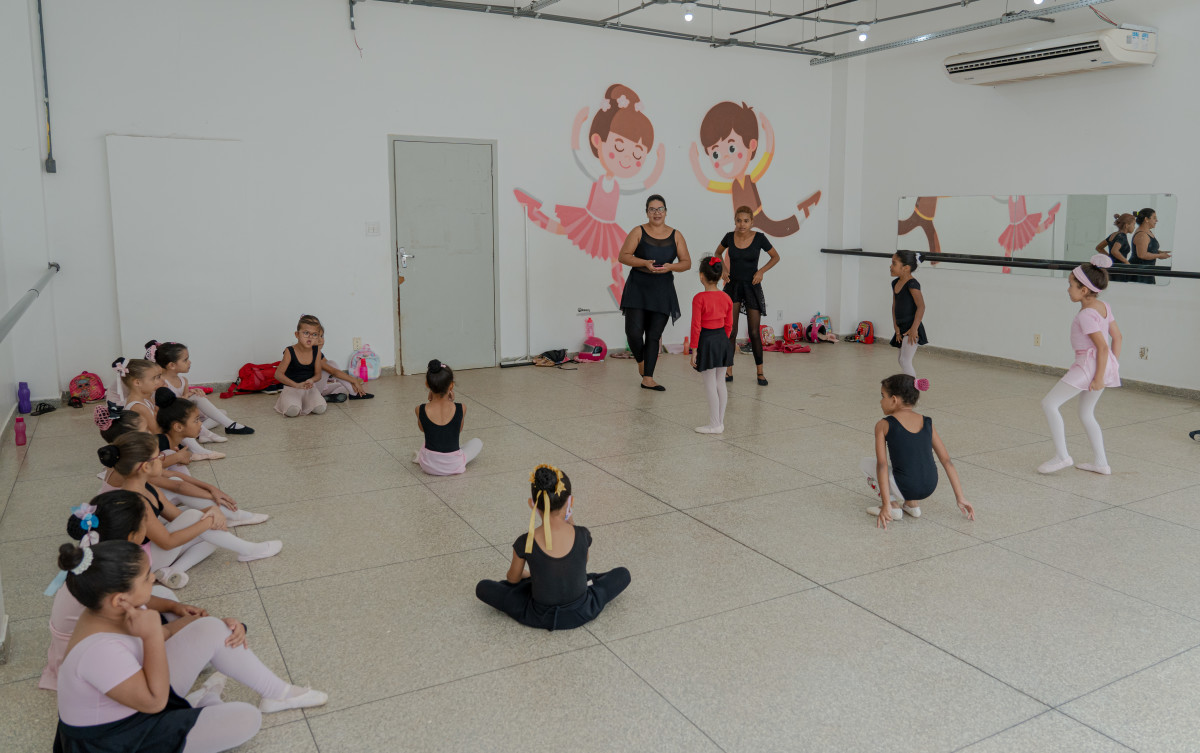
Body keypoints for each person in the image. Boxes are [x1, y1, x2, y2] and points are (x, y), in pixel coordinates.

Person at [51, 539, 326, 753]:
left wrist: (215, 625)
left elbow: (162, 634)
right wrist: (151, 636)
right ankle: (200, 704)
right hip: (118, 738)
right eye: (147, 577)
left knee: (210, 628)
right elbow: (155, 703)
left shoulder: (108, 609)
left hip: (138, 699)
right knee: (247, 719)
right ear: (119, 599)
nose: (153, 578)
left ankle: (277, 693)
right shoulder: (98, 651)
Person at [514, 84, 666, 305]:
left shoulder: (618, 183)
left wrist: (659, 161)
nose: (626, 159)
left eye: (637, 154)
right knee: (562, 228)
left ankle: (619, 286)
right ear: (598, 141)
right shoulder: (600, 177)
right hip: (589, 219)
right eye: (620, 147)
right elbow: (578, 156)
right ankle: (534, 213)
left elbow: (645, 182)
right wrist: (577, 125)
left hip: (609, 225)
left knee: (618, 255)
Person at [99, 433, 282, 588]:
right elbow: (168, 542)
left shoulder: (146, 486)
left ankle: (174, 571)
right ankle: (250, 550)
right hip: (138, 564)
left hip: (151, 553)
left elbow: (178, 517)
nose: (163, 459)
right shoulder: (134, 501)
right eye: (159, 457)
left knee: (210, 534)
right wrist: (209, 519)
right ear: (145, 466)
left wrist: (210, 517)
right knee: (201, 520)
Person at [475, 465, 630, 630]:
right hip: (582, 608)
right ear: (570, 502)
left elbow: (512, 579)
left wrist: (527, 575)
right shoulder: (582, 534)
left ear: (532, 504)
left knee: (483, 587)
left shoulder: (525, 541)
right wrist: (570, 520)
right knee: (622, 574)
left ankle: (540, 580)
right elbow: (582, 563)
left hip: (539, 613)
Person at [1038, 254, 1122, 475]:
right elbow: (1118, 338)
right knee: (1086, 413)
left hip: (1088, 366)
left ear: (1084, 290)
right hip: (1103, 365)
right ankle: (1101, 463)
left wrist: (1098, 376)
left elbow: (1101, 347)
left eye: (1071, 285)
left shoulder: (1086, 314)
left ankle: (1062, 456)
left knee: (1049, 404)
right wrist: (1112, 366)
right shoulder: (1104, 306)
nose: (1068, 289)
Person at [688, 101, 821, 237]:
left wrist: (768, 131)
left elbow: (766, 157)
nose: (725, 157)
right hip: (741, 222)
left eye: (732, 148)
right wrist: (694, 161)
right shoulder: (733, 186)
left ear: (751, 144)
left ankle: (804, 211)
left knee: (779, 229)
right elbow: (708, 183)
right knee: (734, 243)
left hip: (757, 217)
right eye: (715, 154)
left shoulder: (749, 178)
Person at [861, 375, 974, 529]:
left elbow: (882, 465)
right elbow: (947, 461)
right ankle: (912, 505)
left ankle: (892, 506)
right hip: (929, 486)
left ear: (894, 400)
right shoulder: (927, 421)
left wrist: (885, 504)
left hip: (905, 486)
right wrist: (960, 497)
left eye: (883, 396)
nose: (881, 401)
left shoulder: (883, 424)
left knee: (866, 464)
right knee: (909, 467)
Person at [154, 389, 269, 526]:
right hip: (154, 507)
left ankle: (228, 515)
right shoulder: (159, 447)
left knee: (192, 493)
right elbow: (175, 482)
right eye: (196, 420)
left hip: (165, 499)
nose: (201, 424)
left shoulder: (169, 442)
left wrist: (211, 489)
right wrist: (210, 493)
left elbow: (178, 480)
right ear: (178, 427)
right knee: (179, 476)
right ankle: (233, 516)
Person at [617, 194, 692, 391]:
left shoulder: (676, 235)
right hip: (638, 288)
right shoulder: (638, 231)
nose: (657, 213)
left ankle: (648, 378)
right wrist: (644, 263)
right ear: (647, 212)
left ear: (666, 212)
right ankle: (642, 362)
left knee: (653, 335)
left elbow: (686, 263)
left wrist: (670, 267)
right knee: (633, 333)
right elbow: (623, 256)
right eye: (652, 209)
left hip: (662, 290)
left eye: (660, 209)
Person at [717, 206, 779, 385]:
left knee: (754, 332)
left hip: (752, 286)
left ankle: (760, 372)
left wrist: (761, 271)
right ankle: (728, 370)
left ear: (752, 222)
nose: (742, 224)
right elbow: (717, 253)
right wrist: (723, 269)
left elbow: (775, 257)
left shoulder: (759, 238)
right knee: (731, 331)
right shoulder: (729, 237)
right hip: (733, 287)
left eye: (746, 221)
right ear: (735, 221)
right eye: (739, 220)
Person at [146, 340, 254, 437]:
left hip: (185, 417)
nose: (190, 362)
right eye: (185, 360)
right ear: (172, 365)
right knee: (198, 399)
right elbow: (165, 409)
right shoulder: (160, 383)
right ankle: (229, 426)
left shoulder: (183, 380)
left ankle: (200, 432)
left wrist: (192, 393)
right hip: (172, 420)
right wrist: (188, 396)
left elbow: (186, 405)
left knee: (222, 412)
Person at [413, 360, 482, 475]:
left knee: (427, 442)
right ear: (451, 385)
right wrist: (451, 402)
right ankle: (452, 452)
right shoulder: (461, 408)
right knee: (477, 442)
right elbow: (457, 430)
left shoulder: (419, 409)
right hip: (454, 465)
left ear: (427, 384)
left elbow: (424, 429)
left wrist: (430, 401)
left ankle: (428, 457)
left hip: (428, 466)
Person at [690, 256, 734, 434]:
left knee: (709, 382)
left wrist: (694, 350)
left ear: (701, 276)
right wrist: (723, 340)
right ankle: (720, 422)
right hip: (722, 339)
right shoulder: (726, 297)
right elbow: (729, 325)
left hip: (707, 340)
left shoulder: (699, 298)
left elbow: (696, 326)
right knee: (720, 382)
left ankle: (715, 424)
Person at [273, 315, 332, 417]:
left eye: (314, 334)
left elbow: (318, 375)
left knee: (320, 409)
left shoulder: (316, 351)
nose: (310, 337)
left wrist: (312, 380)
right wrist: (296, 385)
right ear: (297, 334)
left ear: (318, 337)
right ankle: (287, 399)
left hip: (309, 389)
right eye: (306, 333)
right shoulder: (289, 351)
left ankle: (307, 400)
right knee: (292, 411)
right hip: (292, 388)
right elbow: (278, 374)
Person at [889, 251, 927, 378]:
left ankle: (913, 391)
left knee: (905, 361)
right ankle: (908, 388)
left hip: (912, 329)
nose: (890, 266)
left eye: (894, 263)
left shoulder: (912, 284)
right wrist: (896, 327)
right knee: (901, 360)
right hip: (901, 327)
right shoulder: (895, 283)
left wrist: (914, 329)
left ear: (906, 268)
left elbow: (921, 306)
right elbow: (894, 306)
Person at [315, 326, 373, 401]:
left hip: (320, 387)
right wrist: (353, 380)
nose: (320, 340)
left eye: (321, 336)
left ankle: (326, 398)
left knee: (342, 385)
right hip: (311, 391)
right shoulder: (310, 354)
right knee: (331, 363)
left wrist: (337, 379)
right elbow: (332, 371)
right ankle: (354, 394)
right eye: (316, 336)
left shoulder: (319, 353)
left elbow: (330, 372)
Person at [1129, 207, 1172, 285]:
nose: (1156, 220)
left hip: (1147, 271)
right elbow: (1142, 254)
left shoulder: (1148, 232)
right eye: (1154, 218)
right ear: (1146, 219)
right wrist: (1159, 255)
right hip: (1139, 273)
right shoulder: (1142, 234)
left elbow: (1148, 248)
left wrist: (1159, 252)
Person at [1095, 213, 1136, 283]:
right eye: (1133, 224)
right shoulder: (1122, 237)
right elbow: (1114, 251)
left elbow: (1099, 248)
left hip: (1111, 267)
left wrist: (1110, 258)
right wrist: (1126, 262)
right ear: (1126, 225)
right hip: (1119, 269)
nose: (1134, 227)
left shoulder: (1113, 234)